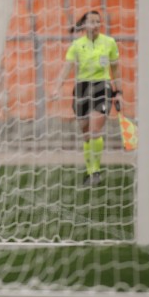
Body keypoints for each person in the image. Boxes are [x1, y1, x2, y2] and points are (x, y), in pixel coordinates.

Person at [52, 10, 122, 186]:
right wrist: (56, 87)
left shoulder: (109, 43)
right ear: (84, 25)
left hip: (102, 87)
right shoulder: (76, 45)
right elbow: (66, 68)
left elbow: (115, 69)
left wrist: (119, 91)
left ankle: (95, 172)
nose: (96, 25)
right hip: (82, 89)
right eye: (92, 21)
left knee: (94, 130)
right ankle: (91, 171)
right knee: (86, 135)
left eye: (98, 21)